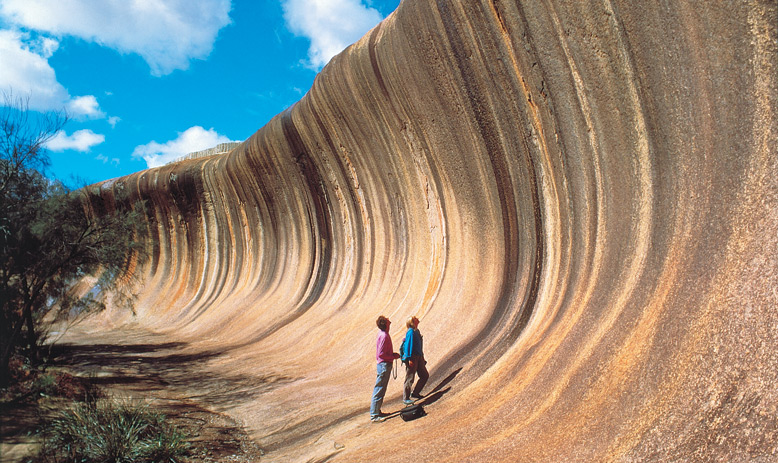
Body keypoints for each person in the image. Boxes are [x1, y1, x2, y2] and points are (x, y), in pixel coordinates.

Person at [370, 315, 400, 422]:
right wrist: (393, 356)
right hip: (384, 365)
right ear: (385, 324)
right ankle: (374, 415)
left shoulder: (382, 334)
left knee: (381, 389)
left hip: (383, 364)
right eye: (388, 321)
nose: (390, 322)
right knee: (379, 389)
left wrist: (392, 354)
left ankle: (377, 411)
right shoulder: (384, 336)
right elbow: (381, 354)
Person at [401, 316, 429, 405]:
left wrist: (422, 357)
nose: (418, 318)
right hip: (413, 357)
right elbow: (409, 346)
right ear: (413, 321)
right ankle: (406, 398)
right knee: (410, 378)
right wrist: (409, 358)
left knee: (424, 375)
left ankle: (415, 393)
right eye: (415, 318)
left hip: (419, 357)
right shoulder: (410, 332)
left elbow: (419, 346)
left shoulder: (416, 331)